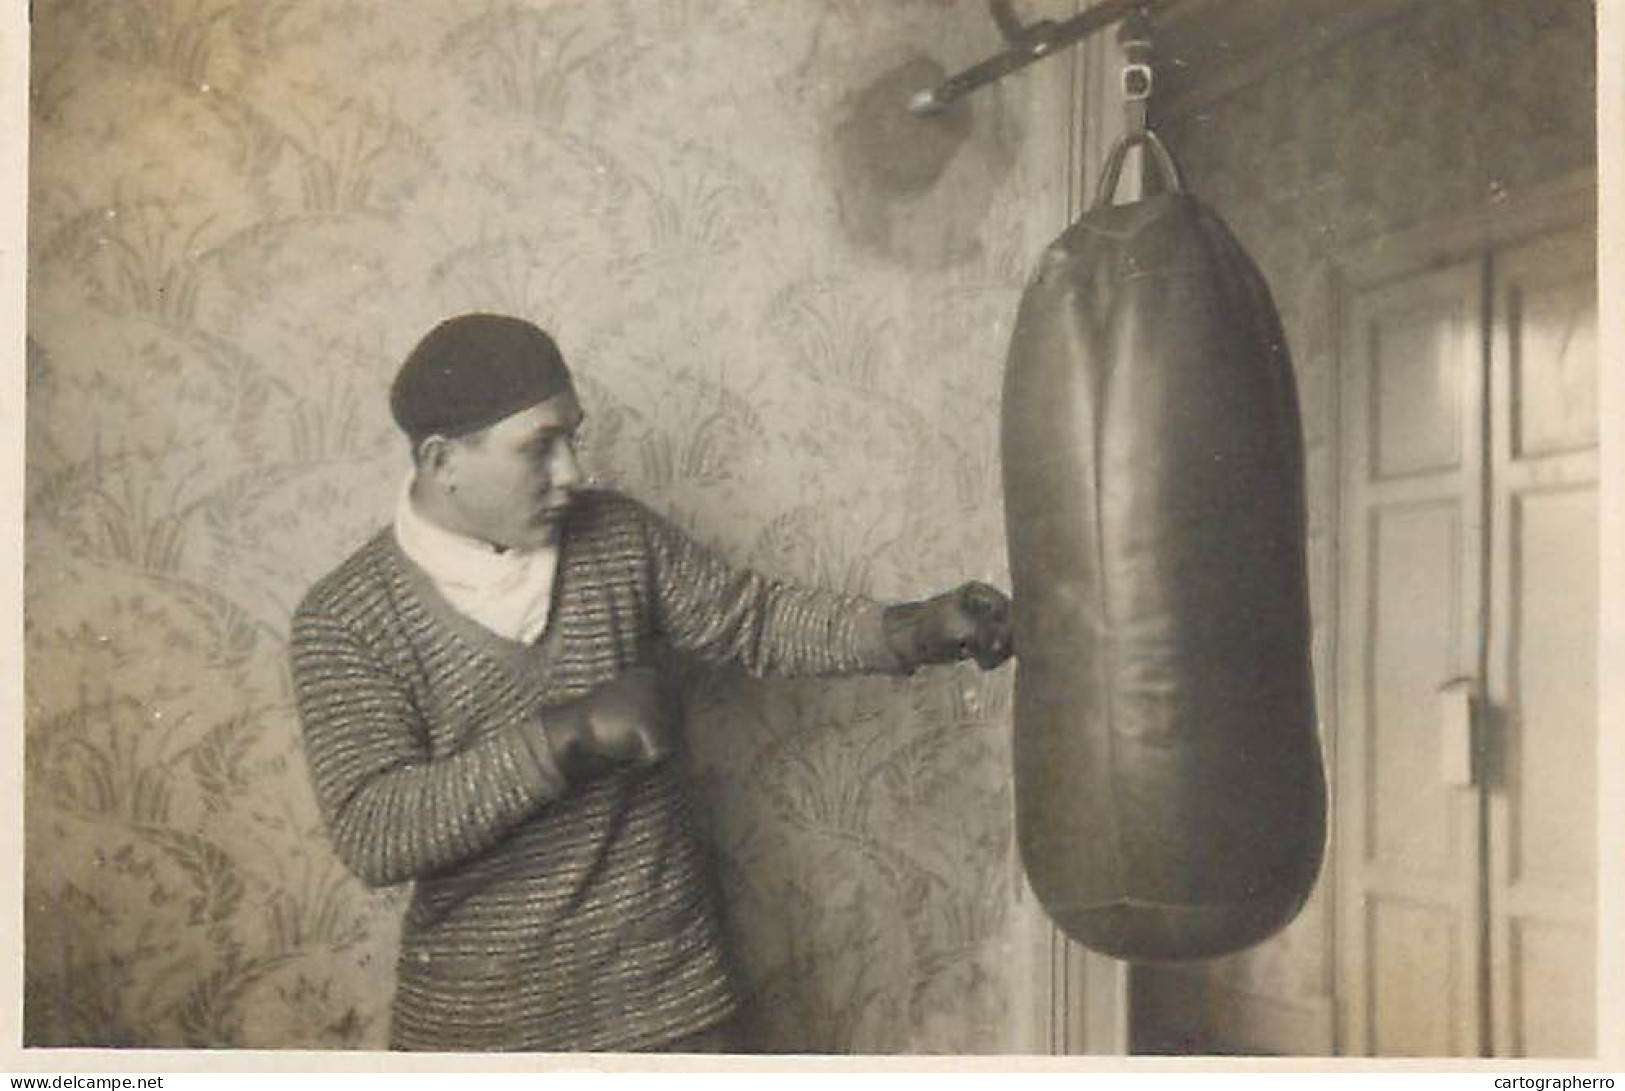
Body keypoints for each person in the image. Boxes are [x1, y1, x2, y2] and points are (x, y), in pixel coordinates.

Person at [289, 313, 1014, 1053]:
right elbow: (373, 831)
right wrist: (563, 736)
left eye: (573, 436)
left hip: (670, 1004)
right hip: (481, 1036)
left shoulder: (618, 537)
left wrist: (911, 628)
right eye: (539, 446)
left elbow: (754, 619)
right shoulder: (346, 618)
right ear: (444, 459)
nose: (572, 472)